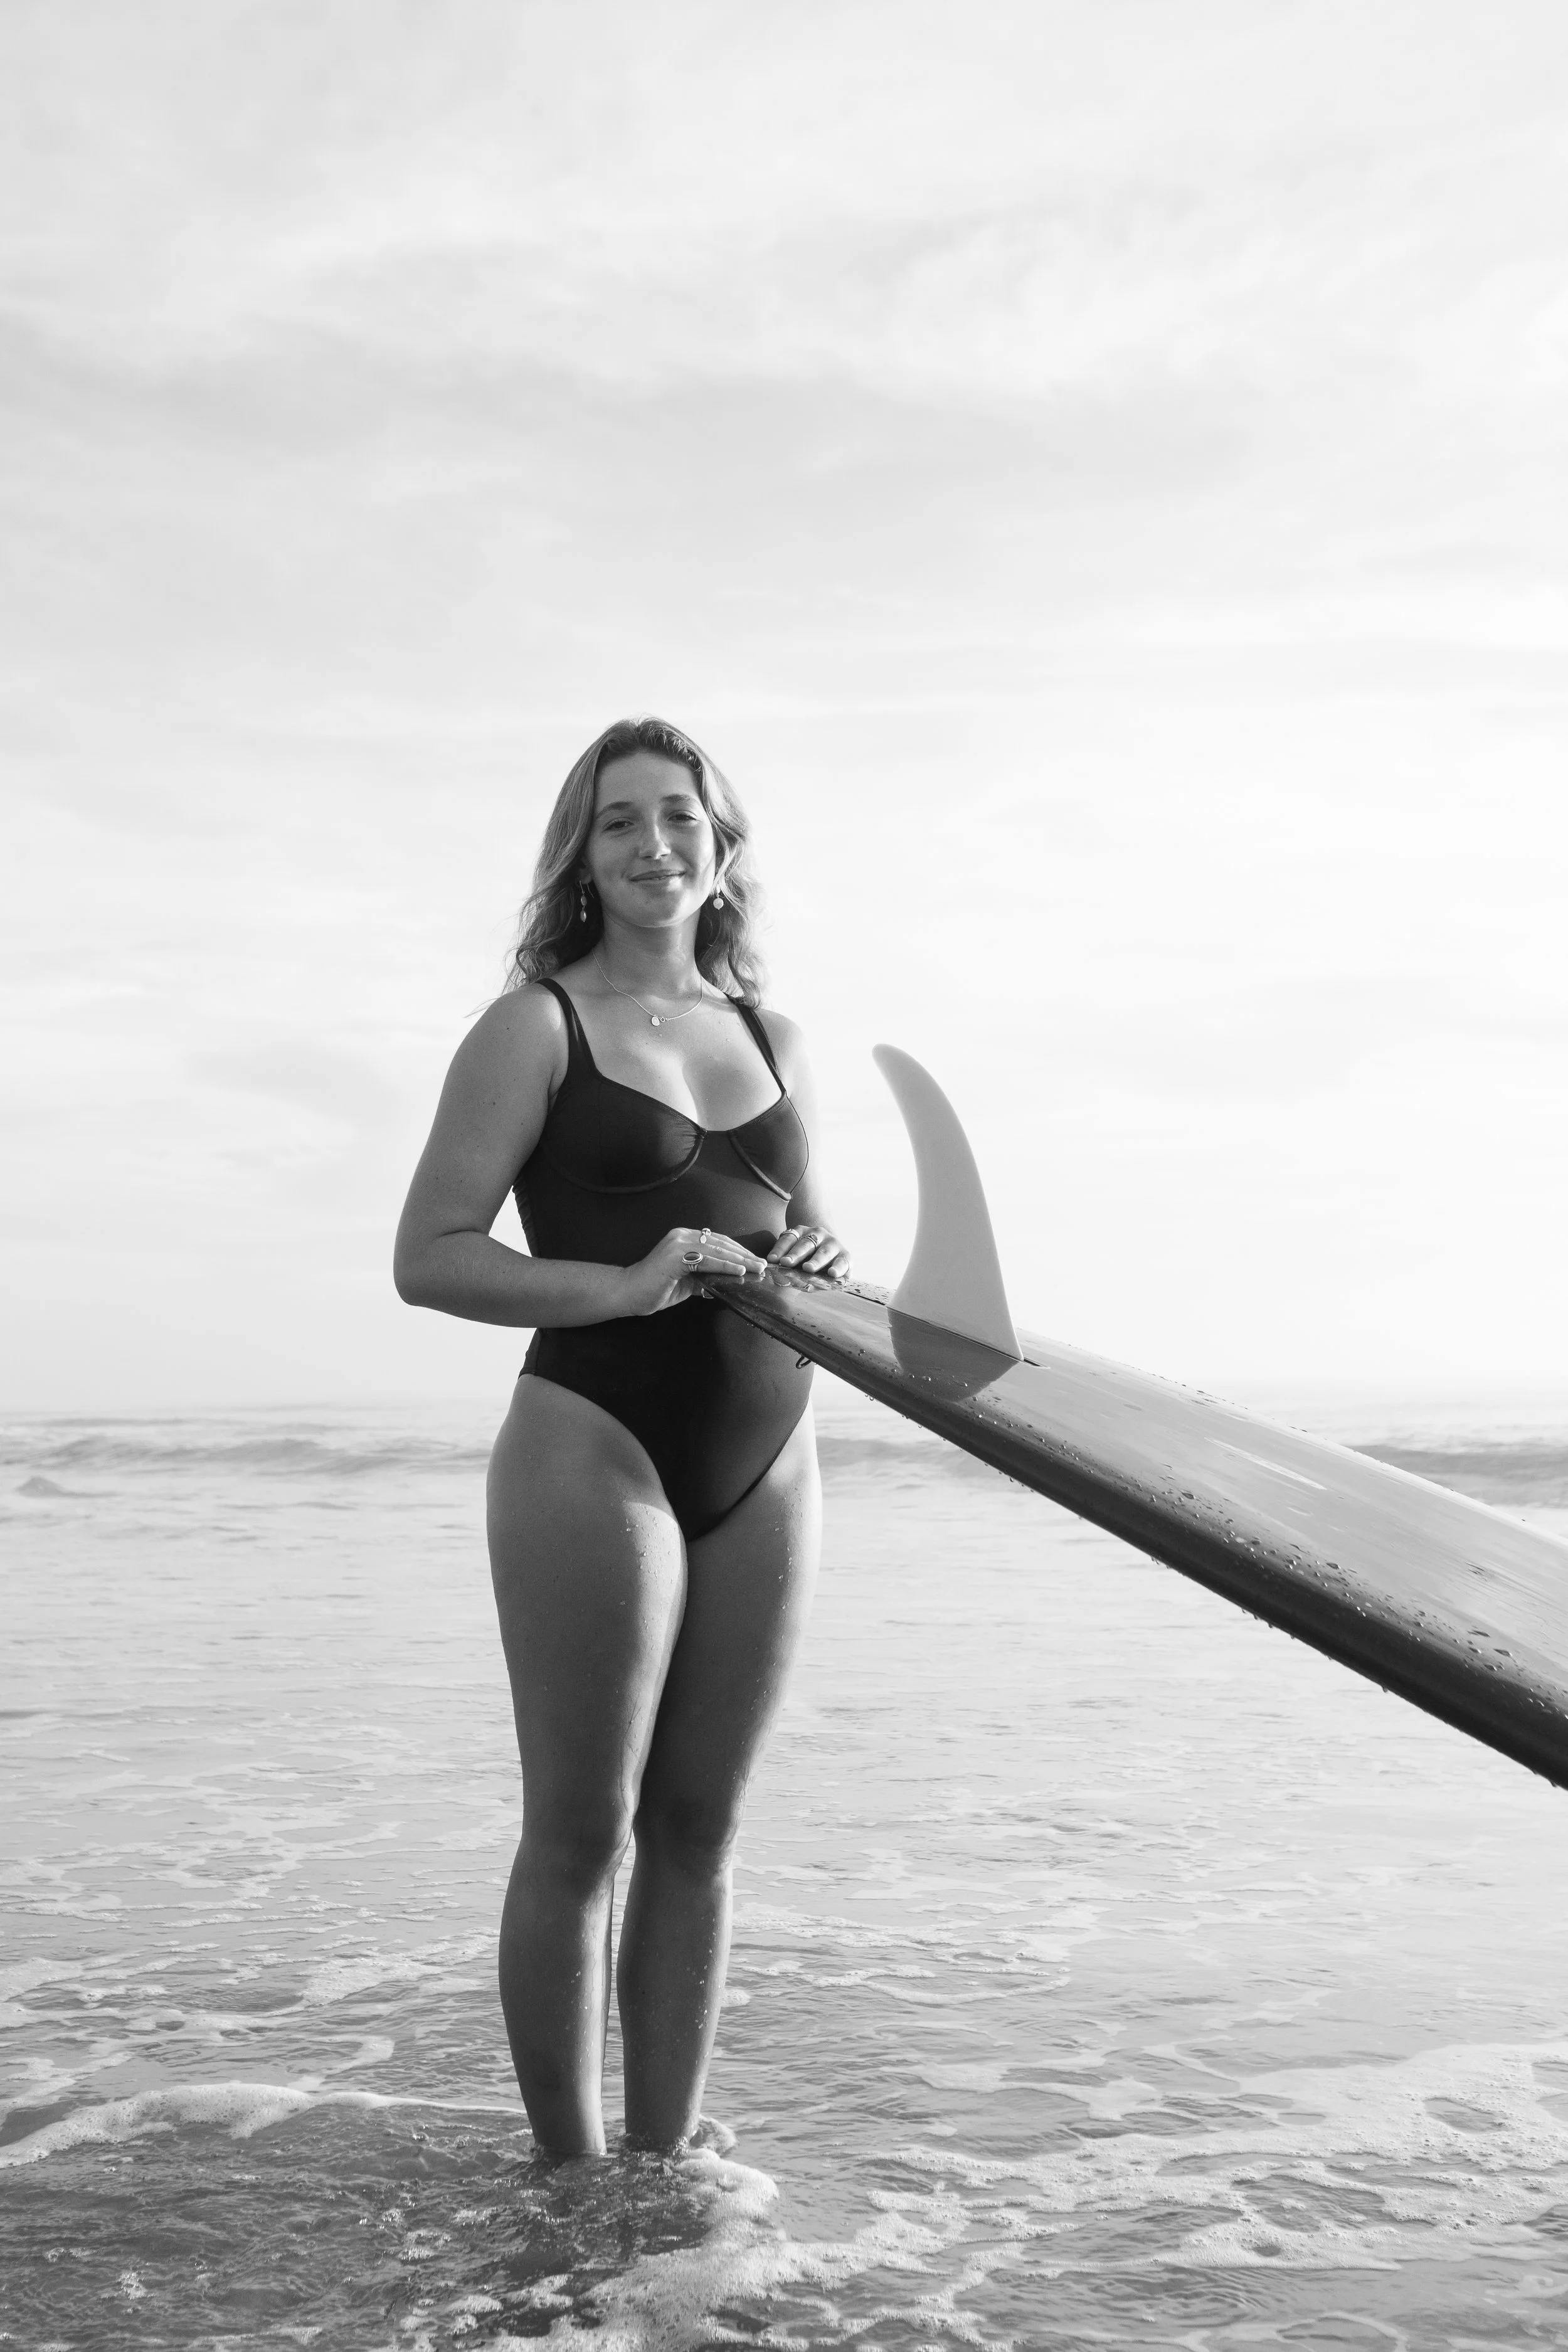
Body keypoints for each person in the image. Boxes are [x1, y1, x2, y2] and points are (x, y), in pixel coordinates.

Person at [393, 716, 850, 2157]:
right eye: (618, 822)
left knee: (702, 1827)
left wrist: (826, 1260)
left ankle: (665, 2163)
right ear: (580, 857)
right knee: (582, 1832)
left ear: (721, 851)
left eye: (680, 818)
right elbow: (431, 1254)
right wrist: (624, 1281)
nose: (654, 844)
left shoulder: (773, 1035)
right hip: (595, 1437)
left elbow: (795, 1230)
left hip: (771, 1453)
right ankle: (570, 2179)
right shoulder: (537, 1024)